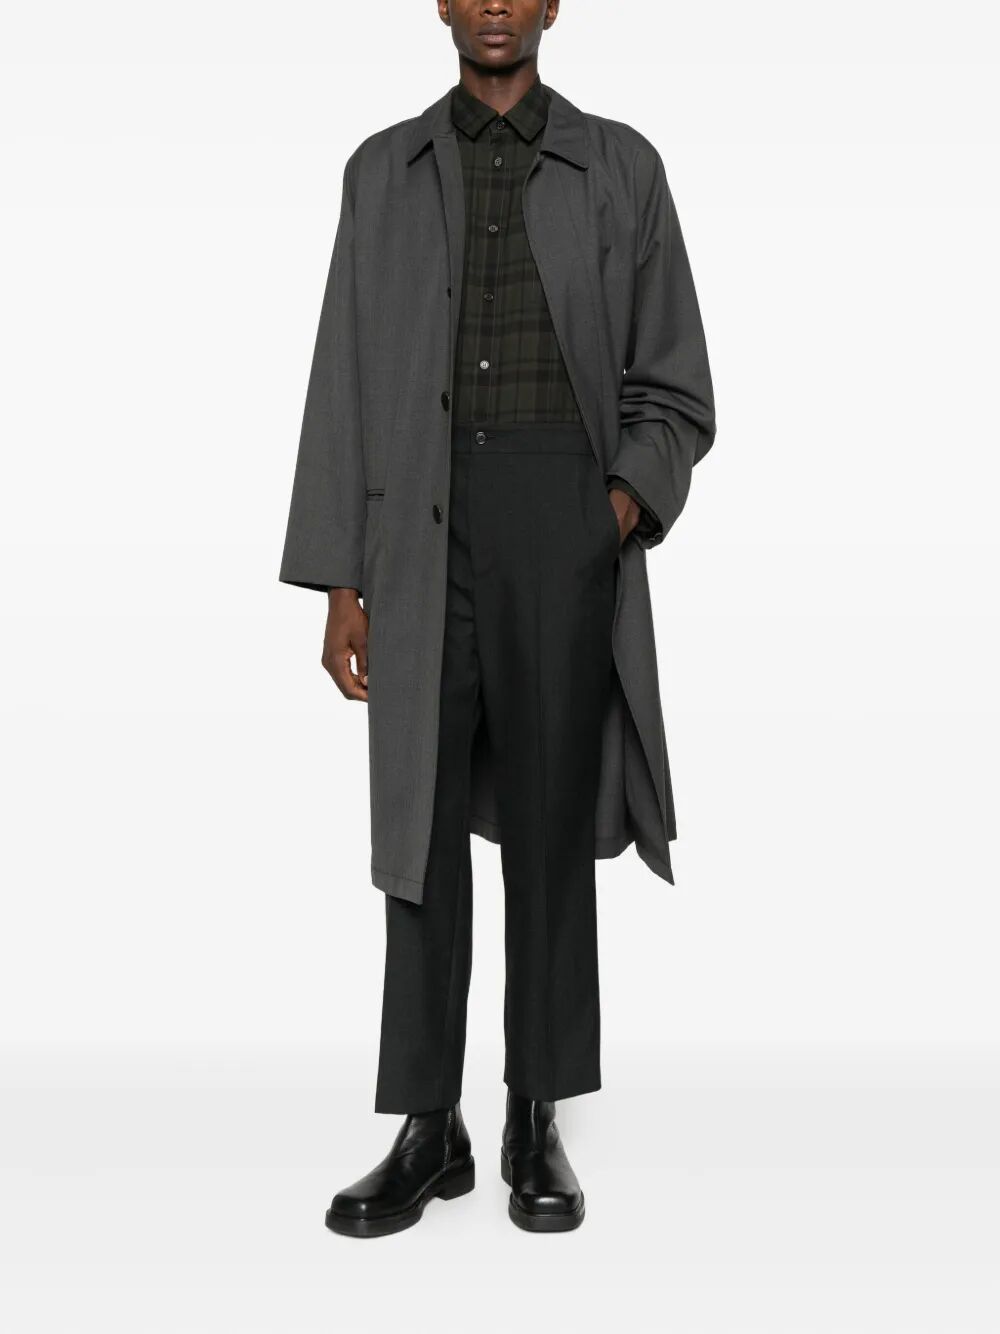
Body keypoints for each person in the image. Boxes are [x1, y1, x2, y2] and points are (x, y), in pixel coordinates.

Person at [279, 0, 716, 1238]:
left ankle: (535, 1110)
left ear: (552, 4)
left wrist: (610, 509)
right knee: (416, 826)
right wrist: (341, 577)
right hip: (417, 524)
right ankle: (430, 1125)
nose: (493, 5)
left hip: (559, 519)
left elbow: (674, 384)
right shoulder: (382, 171)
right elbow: (342, 372)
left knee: (548, 817)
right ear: (439, 0)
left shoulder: (619, 166)